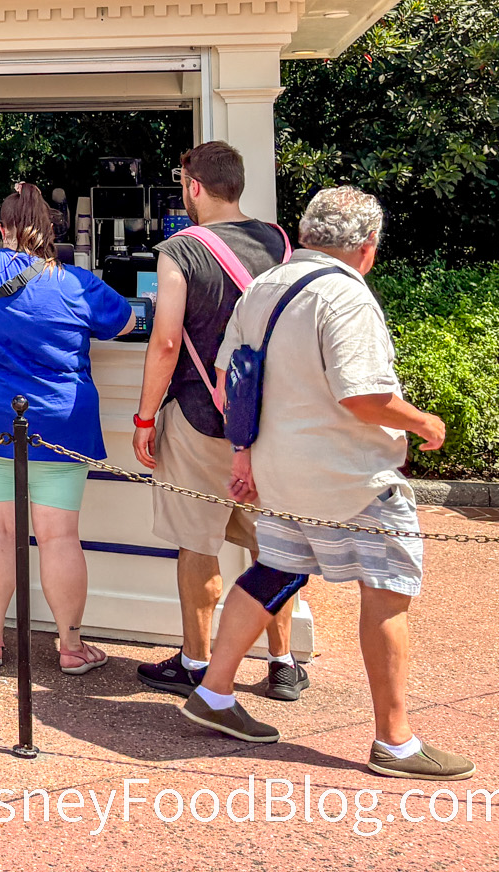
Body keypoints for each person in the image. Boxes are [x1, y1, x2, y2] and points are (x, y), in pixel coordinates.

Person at [178, 187, 469, 780]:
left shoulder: (264, 287)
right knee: (387, 588)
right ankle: (395, 741)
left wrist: (244, 455)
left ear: (306, 232)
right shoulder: (345, 295)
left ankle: (214, 691)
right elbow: (363, 395)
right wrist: (424, 422)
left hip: (278, 471)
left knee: (273, 570)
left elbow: (231, 382)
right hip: (351, 477)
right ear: (368, 246)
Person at [0, 182, 135, 673]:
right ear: (51, 231)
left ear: (1, 228)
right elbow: (124, 323)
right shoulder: (77, 282)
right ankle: (71, 647)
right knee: (59, 537)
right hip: (61, 420)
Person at [131, 142, 303, 702]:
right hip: (268, 425)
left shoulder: (181, 250)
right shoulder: (279, 242)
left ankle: (196, 661)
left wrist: (144, 417)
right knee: (273, 547)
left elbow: (166, 341)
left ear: (195, 187)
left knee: (197, 543)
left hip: (200, 418)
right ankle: (282, 662)